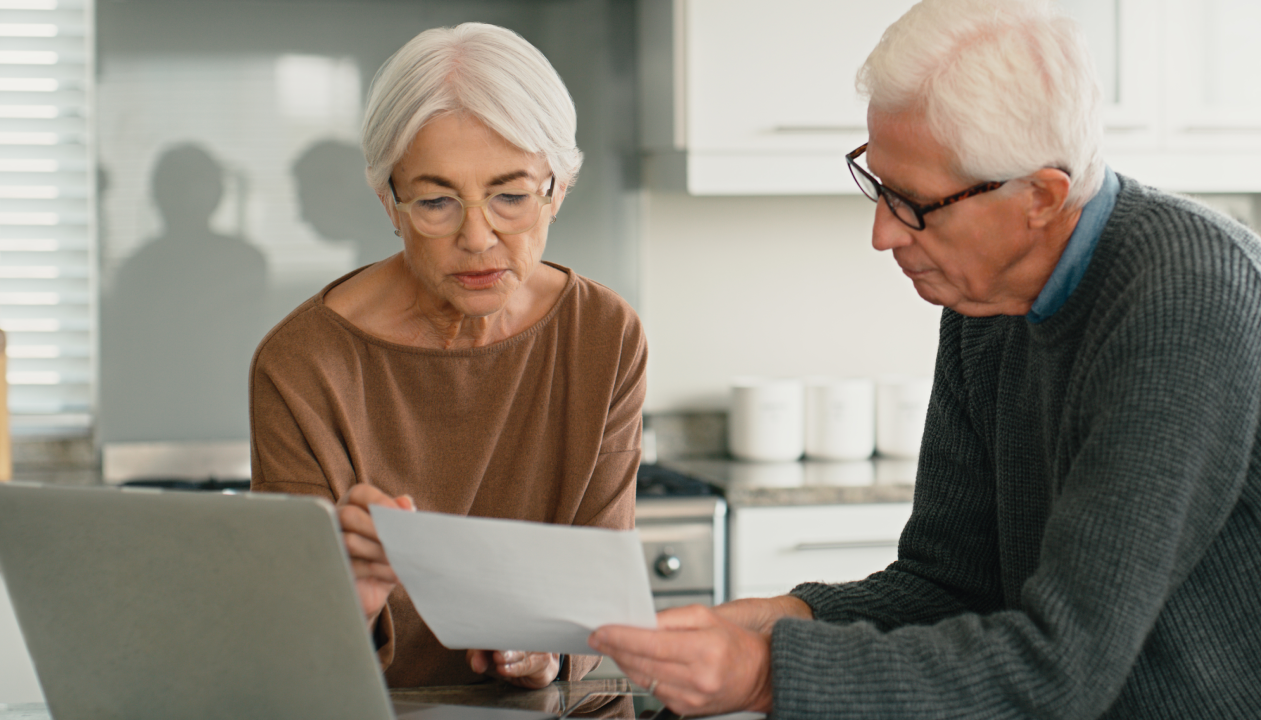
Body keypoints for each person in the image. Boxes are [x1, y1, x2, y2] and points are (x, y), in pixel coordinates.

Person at [589, 0, 1261, 717]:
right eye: (878, 184)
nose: (882, 233)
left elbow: (1063, 664)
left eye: (913, 202)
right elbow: (948, 586)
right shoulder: (986, 303)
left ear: (1039, 195)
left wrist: (767, 674)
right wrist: (789, 619)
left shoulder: (1184, 295)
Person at [250, 23, 646, 689]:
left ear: (559, 189)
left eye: (511, 197)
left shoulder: (603, 334)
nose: (477, 236)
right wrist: (354, 594)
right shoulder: (302, 362)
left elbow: (603, 609)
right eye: (435, 201)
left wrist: (548, 654)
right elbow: (290, 660)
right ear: (390, 202)